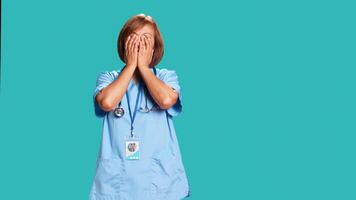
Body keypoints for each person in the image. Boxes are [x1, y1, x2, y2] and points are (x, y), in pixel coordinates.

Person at [88, 13, 191, 200]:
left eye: (146, 39)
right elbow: (107, 102)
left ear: (154, 49)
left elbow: (167, 100)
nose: (139, 44)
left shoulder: (166, 76)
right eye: (134, 38)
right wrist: (130, 67)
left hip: (159, 180)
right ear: (124, 45)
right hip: (117, 182)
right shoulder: (108, 77)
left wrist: (143, 67)